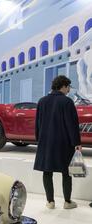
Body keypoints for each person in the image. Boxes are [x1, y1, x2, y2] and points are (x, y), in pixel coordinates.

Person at [34, 75, 81, 210]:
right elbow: (72, 124)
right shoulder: (67, 102)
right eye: (68, 87)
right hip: (64, 143)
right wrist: (76, 142)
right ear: (64, 86)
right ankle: (67, 202)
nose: (68, 90)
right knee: (66, 173)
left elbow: (38, 124)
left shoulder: (42, 101)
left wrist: (39, 139)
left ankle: (50, 202)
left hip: (46, 142)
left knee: (47, 172)